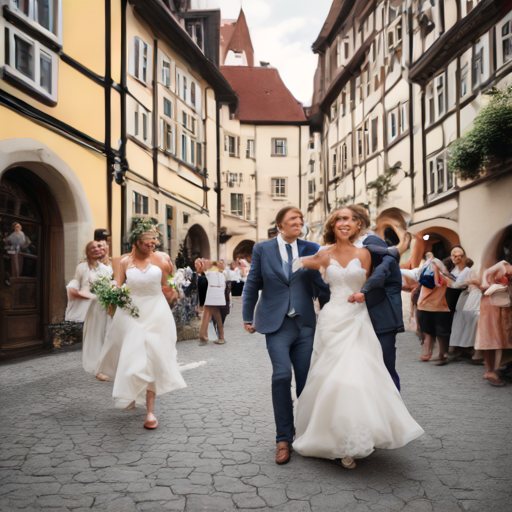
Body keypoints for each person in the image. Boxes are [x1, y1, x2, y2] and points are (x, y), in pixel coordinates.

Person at [292, 207, 423, 469]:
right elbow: (294, 268)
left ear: (357, 226)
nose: (345, 223)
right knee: (332, 377)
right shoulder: (323, 253)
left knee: (358, 375)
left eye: (350, 219)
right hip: (331, 320)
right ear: (333, 224)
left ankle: (357, 437)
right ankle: (332, 434)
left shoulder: (365, 253)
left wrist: (363, 293)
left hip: (357, 319)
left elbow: (372, 280)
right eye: (340, 218)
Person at [242, 206, 330, 465]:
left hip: (304, 324)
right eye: (293, 219)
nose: (299, 222)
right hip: (277, 325)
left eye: (300, 219)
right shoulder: (262, 249)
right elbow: (253, 284)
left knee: (304, 381)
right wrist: (248, 316)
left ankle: (306, 433)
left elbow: (320, 285)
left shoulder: (311, 248)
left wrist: (334, 305)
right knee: (281, 375)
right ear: (279, 225)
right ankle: (283, 438)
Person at [96, 230, 186, 429]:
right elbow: (118, 285)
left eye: (154, 243)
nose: (151, 246)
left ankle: (150, 412)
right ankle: (130, 392)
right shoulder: (124, 262)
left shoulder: (162, 259)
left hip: (156, 312)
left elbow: (168, 284)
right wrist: (112, 294)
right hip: (131, 312)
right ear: (136, 243)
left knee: (152, 358)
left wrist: (174, 289)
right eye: (147, 244)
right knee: (133, 354)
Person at [349, 211, 411, 391]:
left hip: (377, 312)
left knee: (385, 367)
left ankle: (393, 411)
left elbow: (385, 268)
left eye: (348, 219)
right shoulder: (341, 248)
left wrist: (365, 289)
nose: (343, 225)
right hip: (353, 313)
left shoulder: (371, 242)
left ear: (359, 223)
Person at [198, 261, 227, 344]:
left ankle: (218, 337)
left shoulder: (209, 273)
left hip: (211, 295)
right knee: (213, 314)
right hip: (219, 295)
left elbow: (202, 272)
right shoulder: (222, 275)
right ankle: (204, 335)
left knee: (215, 315)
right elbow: (223, 287)